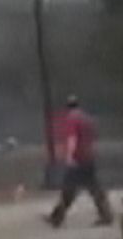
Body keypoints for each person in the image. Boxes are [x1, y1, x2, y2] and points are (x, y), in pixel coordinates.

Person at [45, 94, 113, 228]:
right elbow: (92, 137)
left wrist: (69, 156)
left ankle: (56, 218)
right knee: (94, 187)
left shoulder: (71, 119)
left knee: (68, 188)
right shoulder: (86, 118)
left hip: (78, 159)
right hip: (89, 157)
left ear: (67, 107)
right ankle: (106, 215)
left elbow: (72, 139)